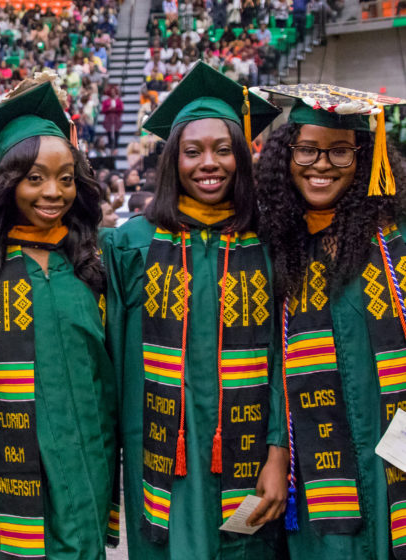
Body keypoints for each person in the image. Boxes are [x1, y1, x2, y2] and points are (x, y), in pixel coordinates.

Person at [102, 62, 288, 559]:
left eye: (224, 149)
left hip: (248, 454)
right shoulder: (131, 245)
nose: (209, 163)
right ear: (172, 161)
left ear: (242, 158)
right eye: (193, 151)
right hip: (158, 452)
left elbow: (282, 355)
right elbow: (111, 358)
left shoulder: (268, 244)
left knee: (244, 546)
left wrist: (277, 447)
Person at [0, 80, 119, 558]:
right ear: (8, 184)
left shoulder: (96, 264)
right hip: (7, 460)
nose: (54, 192)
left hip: (87, 456)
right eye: (35, 178)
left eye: (66, 178)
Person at [255, 84, 406, 560]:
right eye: (308, 150)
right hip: (320, 463)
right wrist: (278, 454)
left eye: (340, 151)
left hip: (396, 454)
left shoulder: (396, 244)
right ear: (287, 156)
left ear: (366, 159)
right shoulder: (283, 251)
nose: (321, 164)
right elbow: (276, 364)